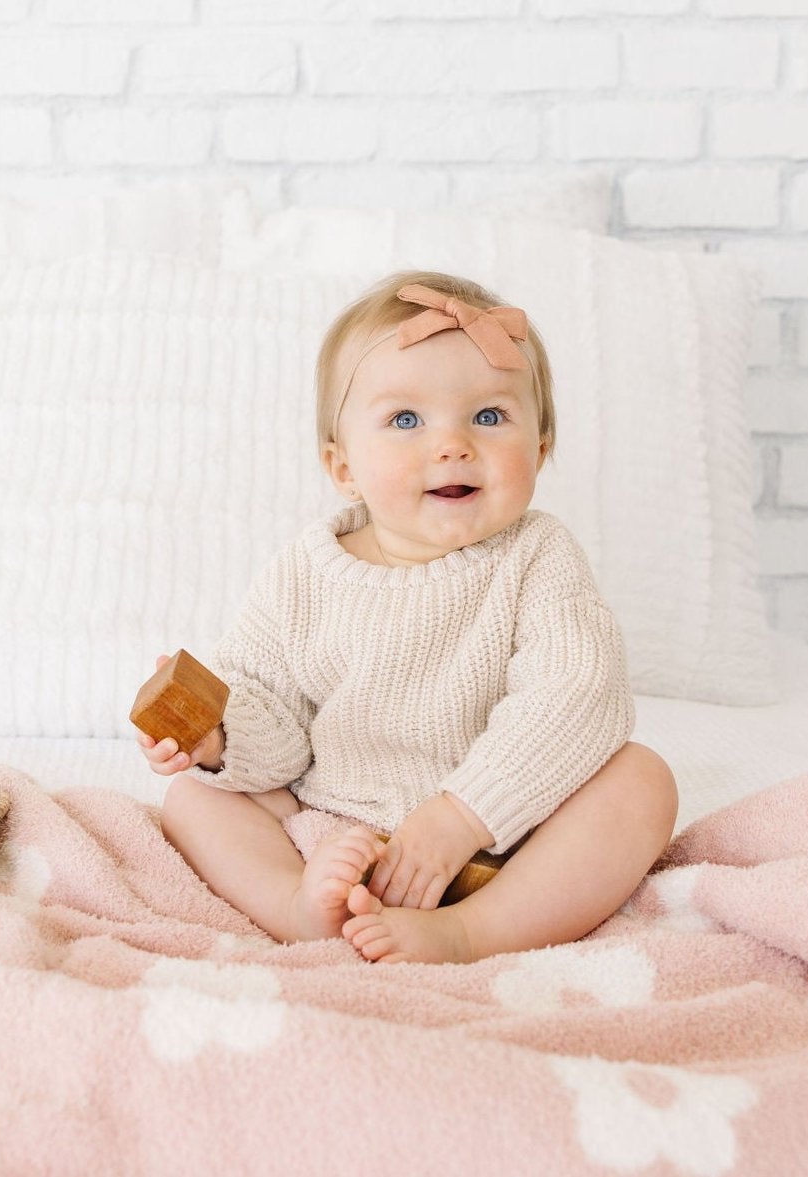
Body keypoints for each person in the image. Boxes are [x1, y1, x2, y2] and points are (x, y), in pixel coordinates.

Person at [138, 270, 678, 964]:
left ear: (539, 450)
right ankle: (299, 906)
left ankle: (469, 931)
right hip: (334, 835)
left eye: (488, 417)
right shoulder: (304, 572)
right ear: (342, 467)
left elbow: (577, 694)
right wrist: (215, 736)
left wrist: (459, 816)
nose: (450, 444)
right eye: (404, 420)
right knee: (194, 797)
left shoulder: (537, 556)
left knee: (640, 780)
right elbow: (274, 718)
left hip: (502, 842)